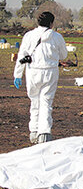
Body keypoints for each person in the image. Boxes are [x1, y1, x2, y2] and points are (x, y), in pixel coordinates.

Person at [13, 12, 67, 144]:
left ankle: (34, 131)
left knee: (34, 101)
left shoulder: (29, 36)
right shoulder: (57, 37)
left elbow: (22, 56)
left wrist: (17, 75)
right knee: (46, 102)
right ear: (51, 23)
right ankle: (45, 132)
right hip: (50, 72)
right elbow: (63, 55)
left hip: (33, 72)